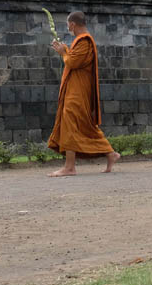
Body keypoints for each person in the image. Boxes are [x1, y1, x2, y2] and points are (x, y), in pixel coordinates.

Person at [47, 11, 120, 177]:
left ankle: (70, 167)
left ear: (72, 24)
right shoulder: (80, 41)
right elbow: (73, 59)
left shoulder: (84, 41)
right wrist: (65, 50)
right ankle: (111, 154)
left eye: (68, 25)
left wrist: (63, 52)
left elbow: (72, 62)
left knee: (69, 120)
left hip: (78, 91)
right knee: (85, 125)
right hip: (76, 89)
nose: (68, 28)